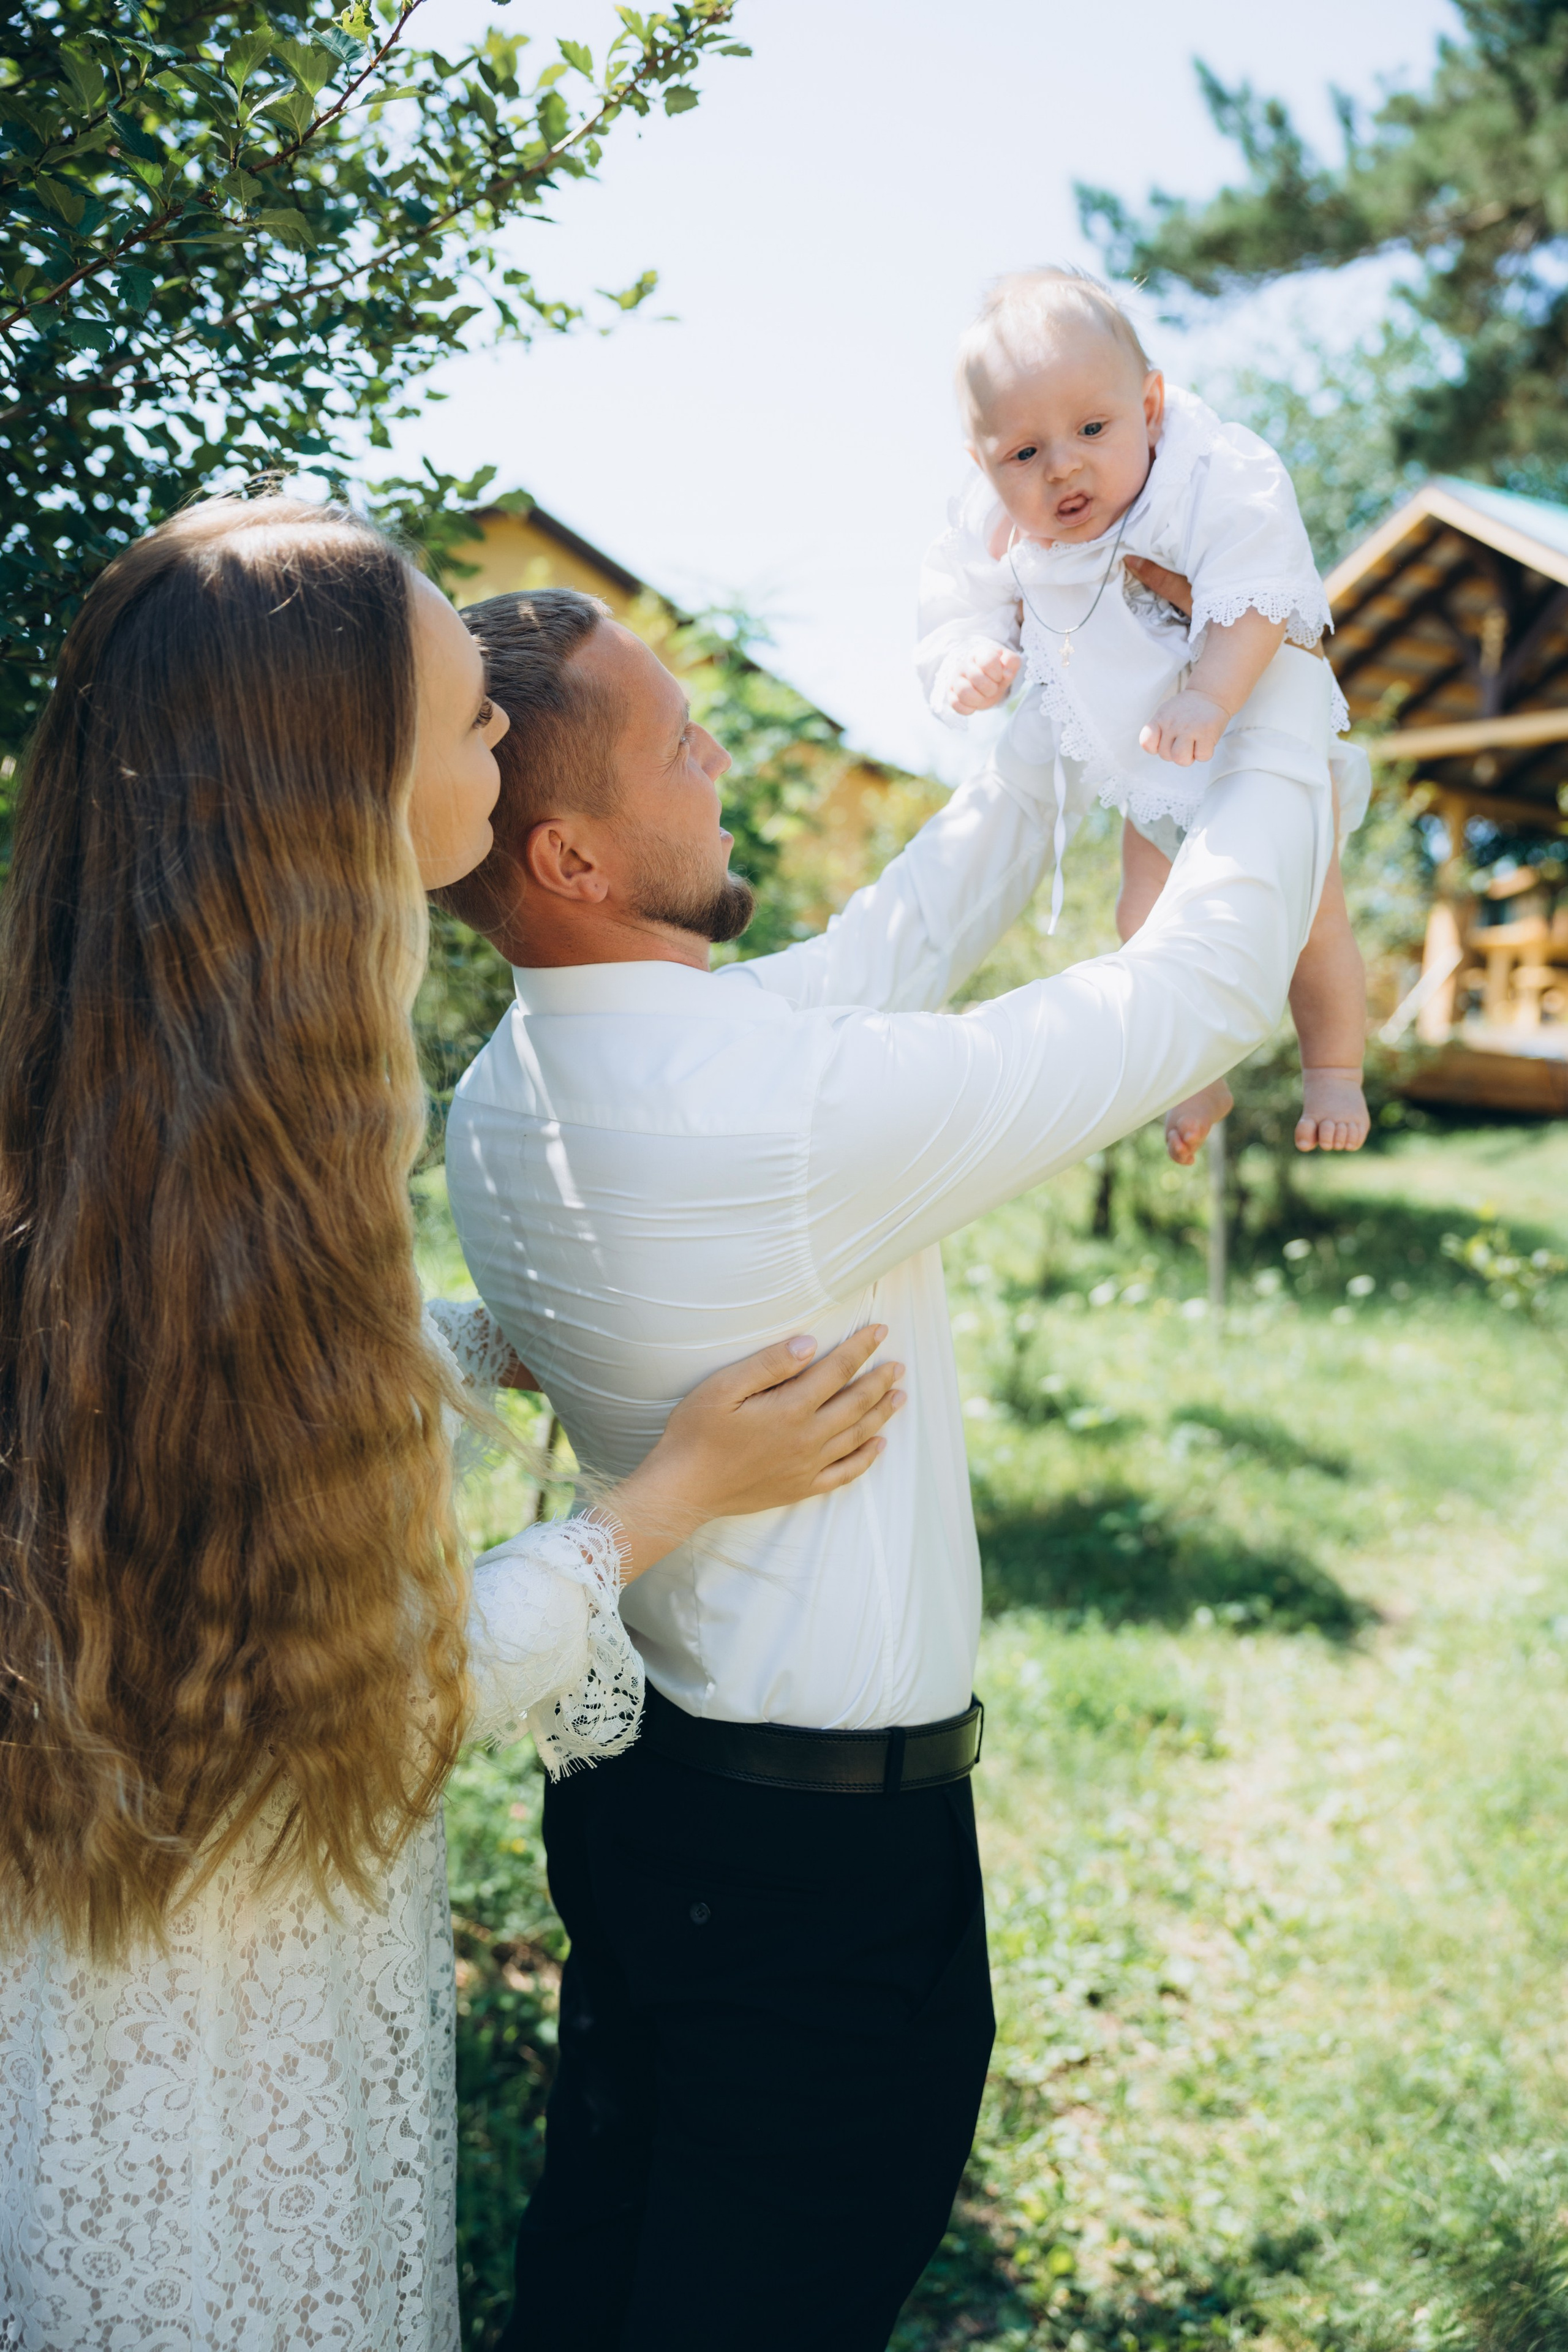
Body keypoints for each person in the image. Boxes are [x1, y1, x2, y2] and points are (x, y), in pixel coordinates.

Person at [0, 498, 903, 2352]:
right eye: (469, 718)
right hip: (217, 2030)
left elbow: (163, 1391)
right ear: (339, 790)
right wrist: (663, 1503)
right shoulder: (244, 1136)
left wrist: (469, 1338)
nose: (502, 733)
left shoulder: (125, 1078)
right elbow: (377, 1694)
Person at [436, 575, 1340, 2352]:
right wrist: (1288, 678)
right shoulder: (772, 1113)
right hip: (813, 1879)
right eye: (680, 746)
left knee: (603, 2261)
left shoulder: (508, 1086)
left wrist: (1061, 665)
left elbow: (901, 932)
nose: (721, 760)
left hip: (642, 1801)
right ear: (570, 859)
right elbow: (1200, 989)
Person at [917, 264, 1371, 1163]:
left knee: (1313, 919)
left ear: (1151, 406)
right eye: (1023, 454)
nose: (1063, 465)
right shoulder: (998, 528)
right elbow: (959, 601)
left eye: (1093, 429)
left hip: (1257, 738)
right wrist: (969, 658)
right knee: (1144, 919)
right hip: (1158, 769)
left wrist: (1211, 695)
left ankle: (1335, 1073)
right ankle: (1194, 1079)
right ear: (982, 465)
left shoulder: (1204, 475)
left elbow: (1257, 587)